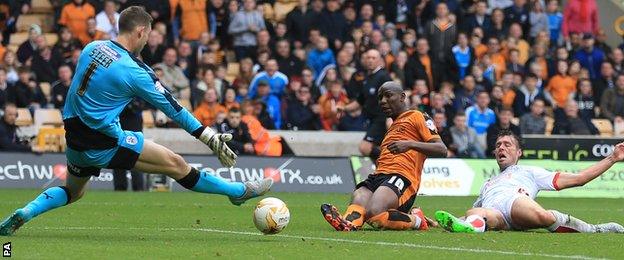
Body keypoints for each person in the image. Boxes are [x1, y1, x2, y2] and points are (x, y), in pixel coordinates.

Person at [0, 7, 272, 236]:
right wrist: (208, 136)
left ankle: (28, 210)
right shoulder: (135, 71)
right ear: (141, 32)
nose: (147, 41)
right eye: (148, 35)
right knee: (177, 165)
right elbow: (173, 108)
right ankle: (238, 191)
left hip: (74, 138)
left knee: (73, 191)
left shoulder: (92, 47)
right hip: (104, 140)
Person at [434, 130, 624, 233]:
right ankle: (472, 231)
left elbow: (579, 179)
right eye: (498, 145)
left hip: (516, 203)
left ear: (519, 153)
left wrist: (612, 158)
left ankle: (595, 229)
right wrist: (439, 223)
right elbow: (471, 218)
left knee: (543, 217)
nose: (501, 148)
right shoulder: (488, 183)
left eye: (507, 145)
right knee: (476, 211)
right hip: (497, 215)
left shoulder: (529, 171)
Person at [321, 81, 447, 231]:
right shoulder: (391, 128)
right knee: (359, 198)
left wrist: (409, 144)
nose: (383, 101)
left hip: (402, 177)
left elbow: (441, 149)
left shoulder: (418, 116)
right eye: (380, 98)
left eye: (388, 96)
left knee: (375, 213)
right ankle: (349, 224)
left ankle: (417, 220)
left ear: (402, 97)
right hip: (378, 176)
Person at [338, 49, 392, 162]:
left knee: (364, 147)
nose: (370, 61)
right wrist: (344, 108)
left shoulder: (383, 77)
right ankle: (385, 169)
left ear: (380, 60)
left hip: (381, 119)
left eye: (373, 58)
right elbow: (359, 101)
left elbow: (393, 98)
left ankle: (393, 162)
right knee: (377, 148)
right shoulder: (367, 78)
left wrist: (390, 117)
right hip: (370, 119)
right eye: (368, 58)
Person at [112, 99, 146, 191]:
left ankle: (138, 187)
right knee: (118, 159)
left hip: (133, 128)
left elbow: (140, 107)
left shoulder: (136, 92)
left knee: (135, 160)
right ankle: (120, 187)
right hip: (119, 128)